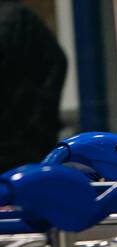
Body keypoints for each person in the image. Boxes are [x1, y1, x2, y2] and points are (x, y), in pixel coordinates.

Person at [0, 0, 67, 173]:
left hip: (14, 144)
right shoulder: (19, 16)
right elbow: (58, 61)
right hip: (26, 144)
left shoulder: (11, 18)